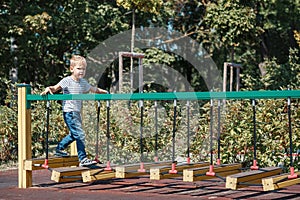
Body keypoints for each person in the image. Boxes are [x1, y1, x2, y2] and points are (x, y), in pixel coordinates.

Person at [41, 55, 108, 167]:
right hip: (69, 111)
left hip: (76, 112)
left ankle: (59, 148)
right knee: (80, 134)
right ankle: (83, 158)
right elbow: (55, 88)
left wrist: (104, 92)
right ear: (72, 69)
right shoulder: (67, 81)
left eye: (83, 69)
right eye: (79, 68)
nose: (81, 71)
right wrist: (49, 88)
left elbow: (93, 89)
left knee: (74, 134)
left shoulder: (83, 83)